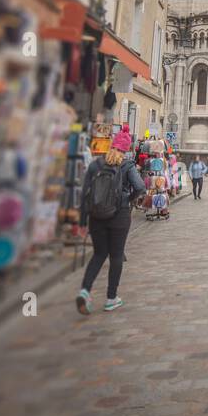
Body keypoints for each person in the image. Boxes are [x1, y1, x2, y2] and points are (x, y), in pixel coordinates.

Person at [75, 130, 145, 315]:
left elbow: (85, 194)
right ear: (127, 148)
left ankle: (85, 290)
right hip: (119, 216)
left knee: (98, 254)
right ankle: (111, 298)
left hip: (96, 216)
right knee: (116, 256)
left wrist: (82, 222)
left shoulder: (96, 164)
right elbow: (140, 187)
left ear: (112, 145)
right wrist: (127, 199)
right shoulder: (127, 165)